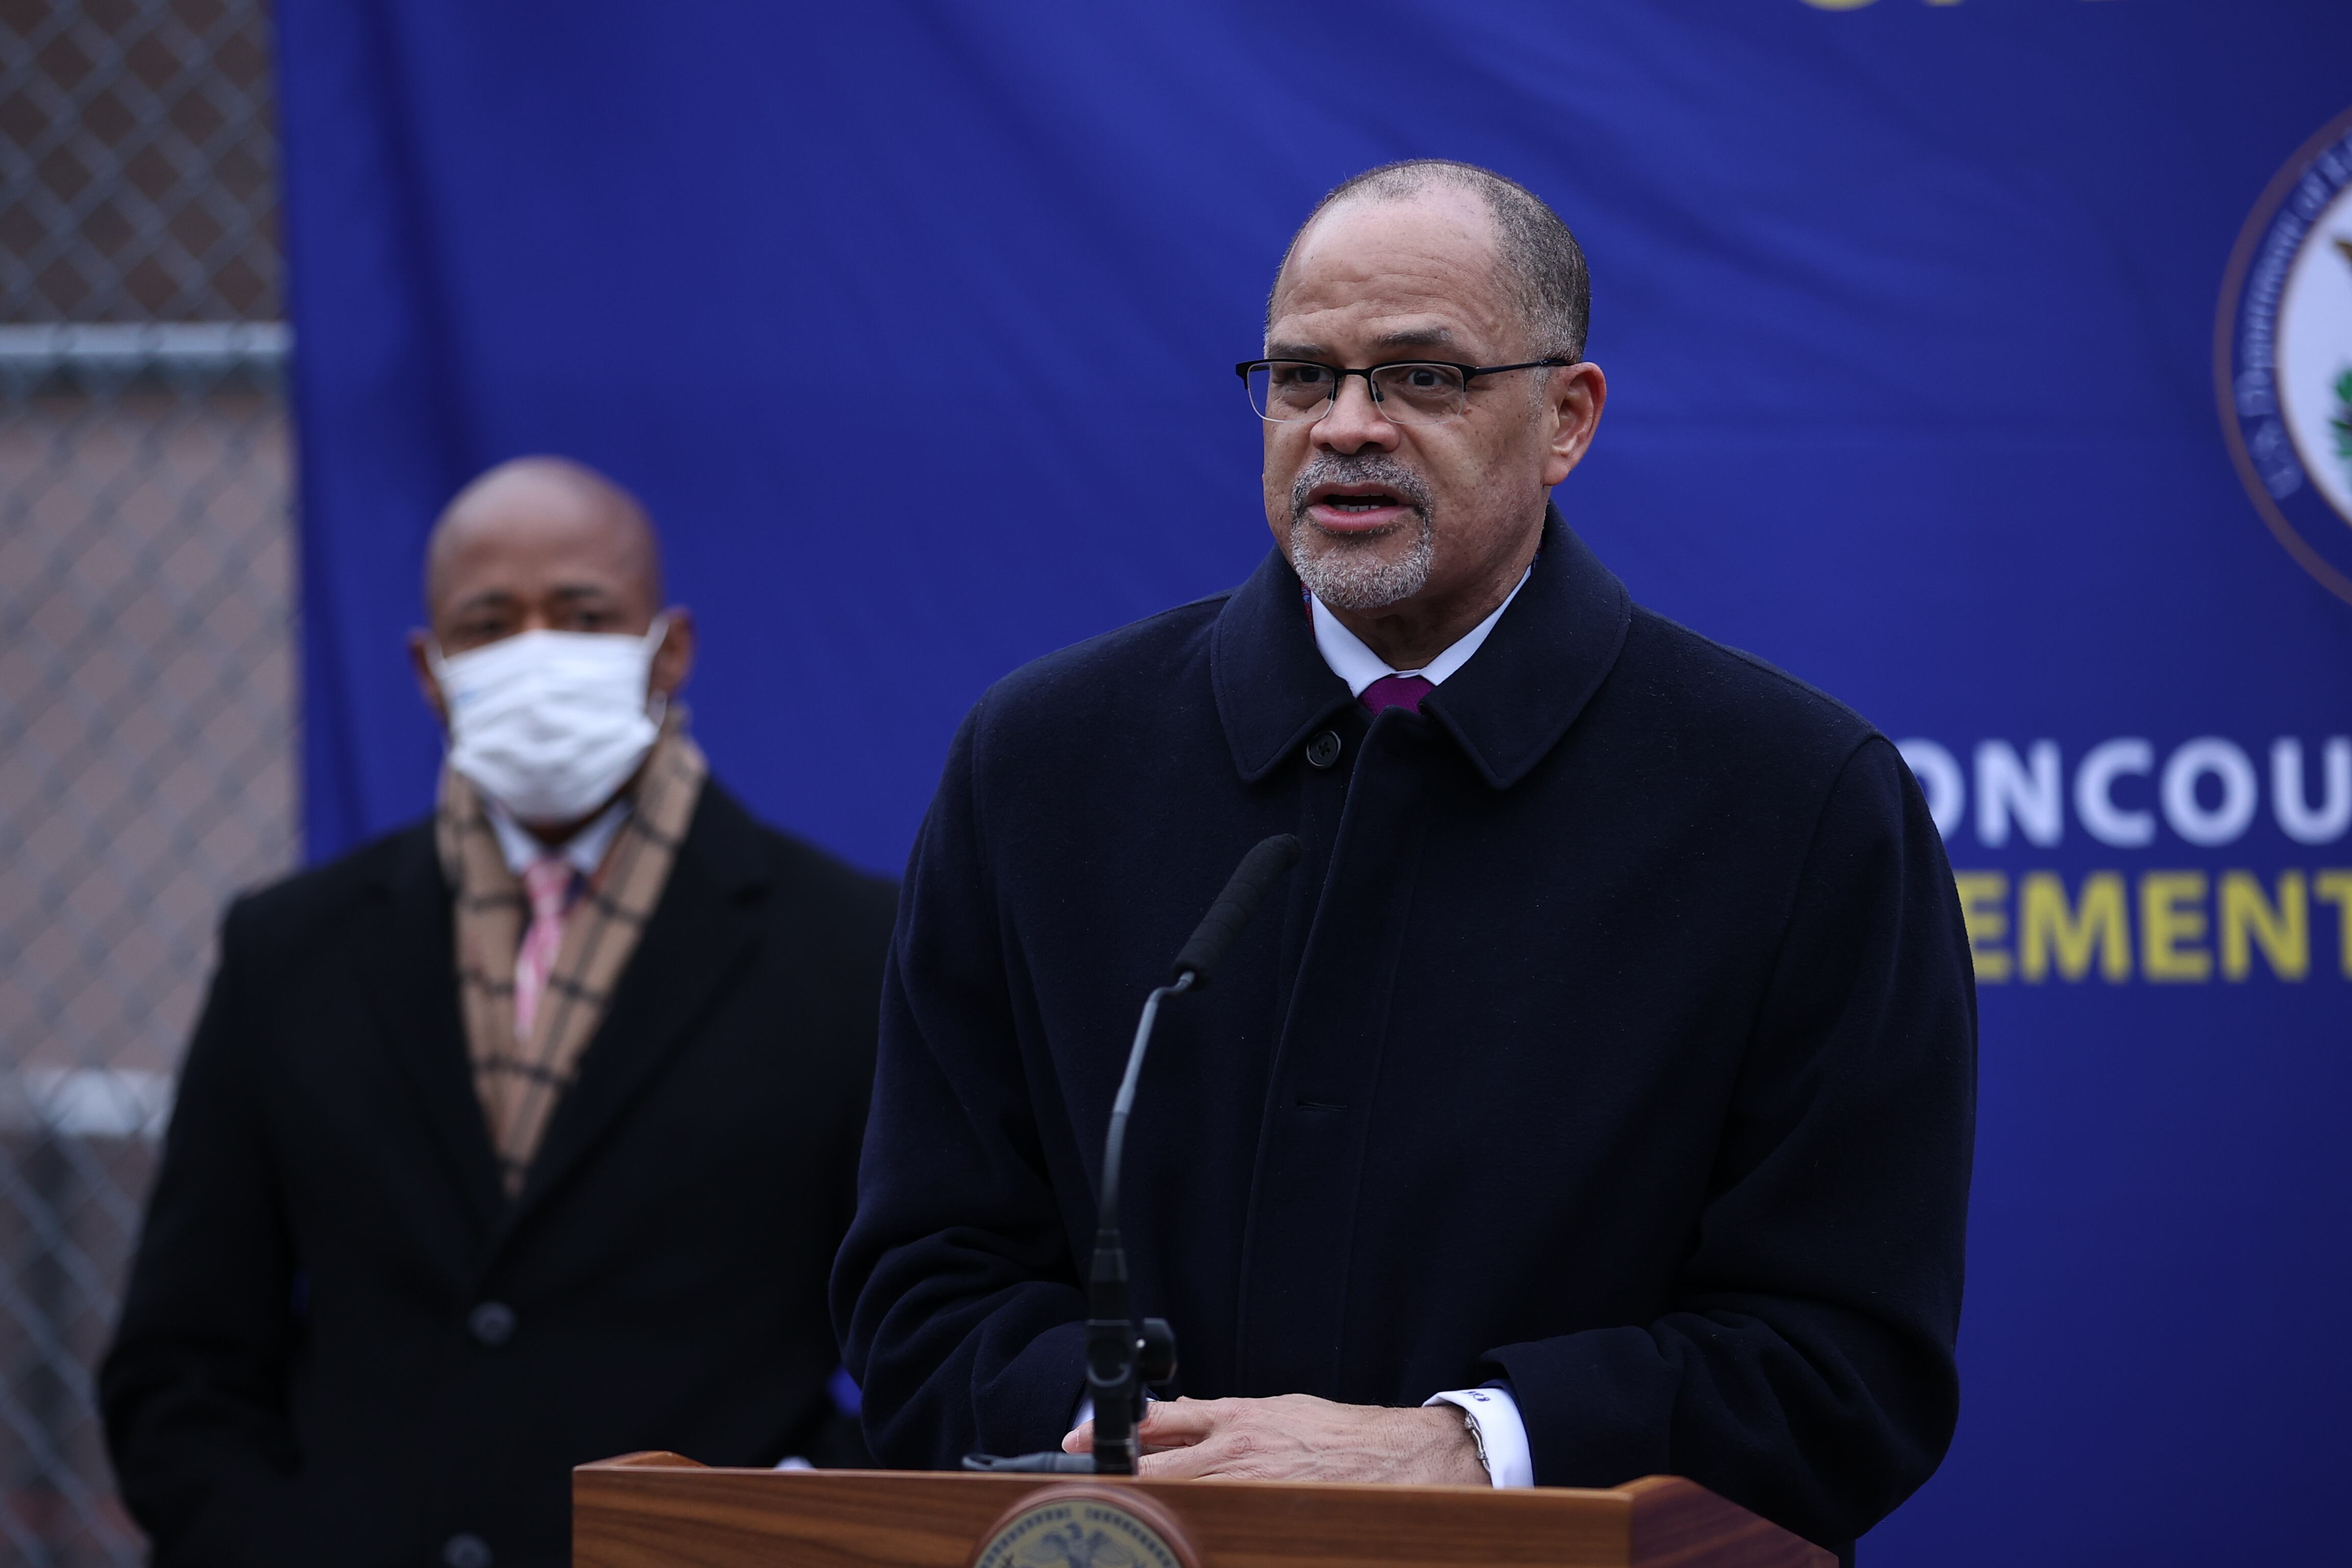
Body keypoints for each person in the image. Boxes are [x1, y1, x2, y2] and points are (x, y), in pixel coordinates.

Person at [833, 161, 1974, 1560]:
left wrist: (1464, 1447)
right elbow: (921, 1288)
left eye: (1420, 380)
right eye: (1303, 379)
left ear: (1567, 418)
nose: (1346, 430)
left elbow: (1843, 1367)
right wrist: (1152, 1461)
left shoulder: (1795, 801)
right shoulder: (1041, 763)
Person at [103, 458, 896, 1568]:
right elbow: (180, 1367)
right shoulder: (290, 950)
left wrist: (778, 1532)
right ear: (430, 670)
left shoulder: (851, 948)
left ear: (668, 649)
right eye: (490, 622)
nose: (536, 652)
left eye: (582, 615)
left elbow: (931, 1339)